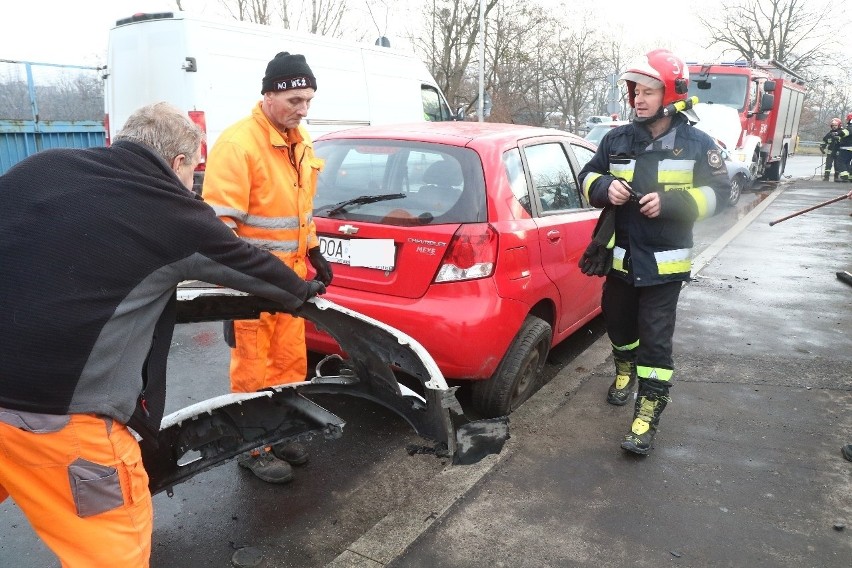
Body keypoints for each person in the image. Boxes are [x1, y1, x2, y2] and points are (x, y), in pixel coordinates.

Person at [0, 102, 325, 566]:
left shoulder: (41, 167)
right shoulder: (172, 214)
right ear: (177, 163)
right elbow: (256, 271)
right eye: (193, 169)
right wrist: (306, 289)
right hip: (59, 423)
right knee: (114, 552)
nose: (193, 180)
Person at [578, 49, 730, 455]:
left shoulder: (698, 144)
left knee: (656, 345)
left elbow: (723, 194)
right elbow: (587, 175)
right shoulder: (616, 138)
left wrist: (673, 203)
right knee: (620, 329)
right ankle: (623, 371)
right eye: (635, 92)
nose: (638, 100)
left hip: (665, 269)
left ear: (672, 93)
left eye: (647, 91)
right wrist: (602, 187)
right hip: (620, 263)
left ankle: (646, 416)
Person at [202, 51, 333, 484]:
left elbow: (300, 211)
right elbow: (219, 228)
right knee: (252, 369)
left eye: (309, 100)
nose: (303, 109)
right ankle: (251, 447)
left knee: (289, 365)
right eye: (295, 99)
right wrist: (246, 279)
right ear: (270, 95)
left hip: (292, 281)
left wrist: (314, 252)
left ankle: (278, 433)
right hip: (253, 286)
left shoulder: (300, 140)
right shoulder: (239, 145)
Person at [819, 117, 848, 182]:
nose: (834, 127)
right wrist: (822, 147)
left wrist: (837, 138)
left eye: (835, 125)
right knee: (828, 165)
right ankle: (826, 177)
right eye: (833, 126)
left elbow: (845, 141)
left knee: (837, 165)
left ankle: (836, 177)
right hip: (830, 152)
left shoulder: (842, 132)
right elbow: (824, 141)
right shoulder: (829, 134)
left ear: (839, 125)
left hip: (838, 152)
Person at [838, 113, 852, 182]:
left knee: (841, 161)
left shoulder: (850, 128)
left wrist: (837, 133)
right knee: (848, 163)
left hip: (846, 148)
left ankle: (844, 175)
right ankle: (850, 176)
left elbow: (844, 133)